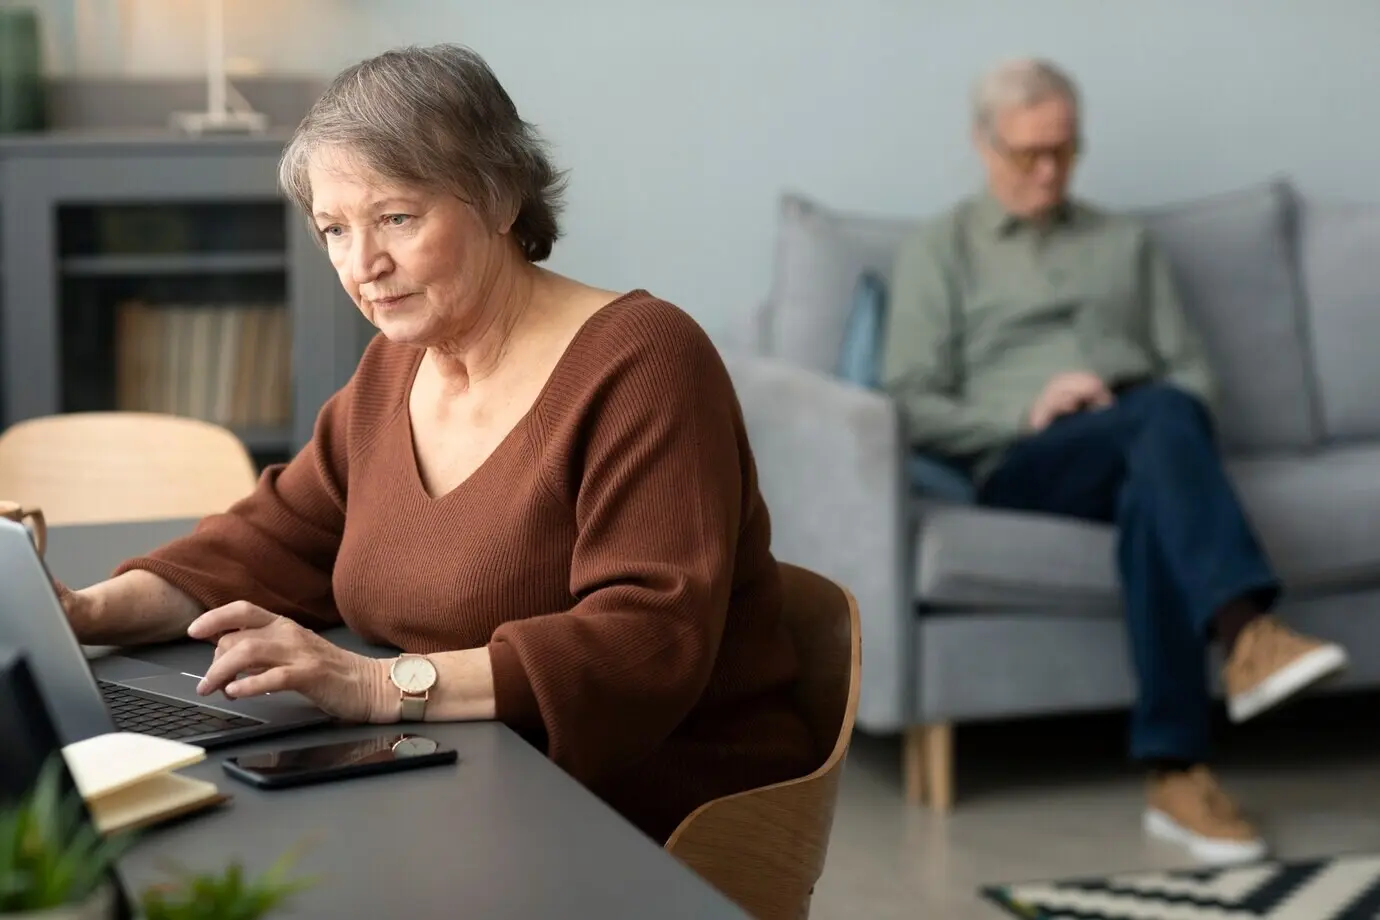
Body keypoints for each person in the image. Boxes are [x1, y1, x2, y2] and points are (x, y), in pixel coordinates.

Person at [54, 43, 816, 844]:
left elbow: (646, 643)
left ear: (499, 197)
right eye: (334, 230)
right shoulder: (396, 366)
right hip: (452, 773)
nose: (363, 266)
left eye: (395, 218)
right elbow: (278, 537)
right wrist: (83, 613)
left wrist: (379, 685)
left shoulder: (644, 359)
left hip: (639, 806)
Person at [880, 58, 1348, 864]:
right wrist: (1025, 410)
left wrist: (1120, 397)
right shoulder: (941, 251)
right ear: (983, 146)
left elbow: (1195, 376)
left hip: (1137, 440)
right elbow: (910, 400)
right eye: (1029, 154)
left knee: (1153, 465)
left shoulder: (1124, 243)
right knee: (1158, 421)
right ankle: (1248, 631)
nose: (1049, 172)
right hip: (1025, 462)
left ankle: (1177, 773)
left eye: (1064, 151)